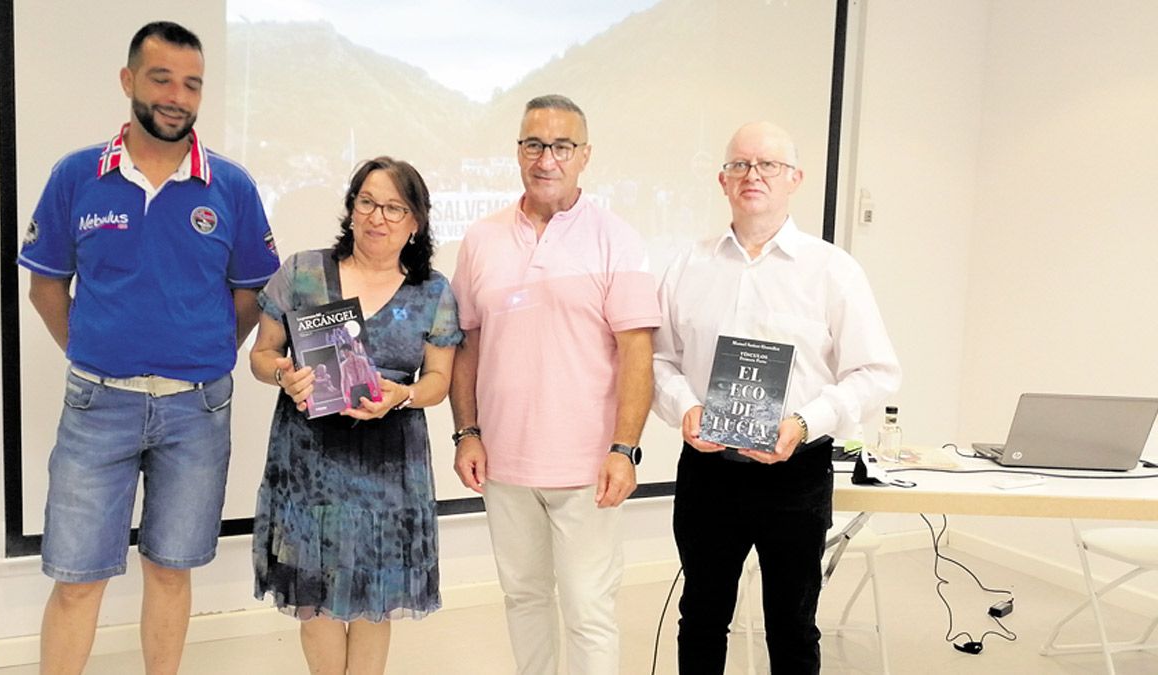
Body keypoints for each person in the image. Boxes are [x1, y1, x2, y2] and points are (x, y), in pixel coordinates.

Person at [16, 21, 280, 675]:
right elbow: (46, 286)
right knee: (77, 576)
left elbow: (252, 293)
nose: (177, 96)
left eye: (191, 84)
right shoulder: (78, 175)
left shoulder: (232, 187)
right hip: (97, 406)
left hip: (198, 413)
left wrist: (210, 344)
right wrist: (92, 346)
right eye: (161, 78)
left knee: (170, 569)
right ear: (129, 79)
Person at [652, 121, 901, 674]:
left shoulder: (833, 271)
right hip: (708, 470)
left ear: (796, 179)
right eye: (740, 165)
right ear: (722, 180)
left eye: (768, 165)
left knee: (791, 625)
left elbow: (876, 371)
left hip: (797, 474)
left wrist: (806, 422)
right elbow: (658, 361)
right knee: (701, 617)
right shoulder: (686, 266)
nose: (753, 175)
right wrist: (684, 408)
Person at [450, 94, 660, 674]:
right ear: (518, 152)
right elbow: (466, 343)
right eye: (534, 144)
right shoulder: (481, 239)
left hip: (587, 467)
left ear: (584, 155)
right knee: (524, 599)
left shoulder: (618, 240)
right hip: (504, 463)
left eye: (561, 146)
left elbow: (636, 351)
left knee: (589, 610)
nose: (547, 158)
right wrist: (466, 432)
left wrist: (624, 448)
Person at [250, 156, 461, 675]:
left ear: (416, 222)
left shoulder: (432, 291)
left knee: (374, 595)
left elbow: (438, 382)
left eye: (394, 207)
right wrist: (284, 375)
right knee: (314, 593)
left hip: (387, 469)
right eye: (367, 202)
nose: (378, 217)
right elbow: (261, 355)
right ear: (351, 208)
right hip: (309, 464)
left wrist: (401, 395)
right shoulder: (302, 272)